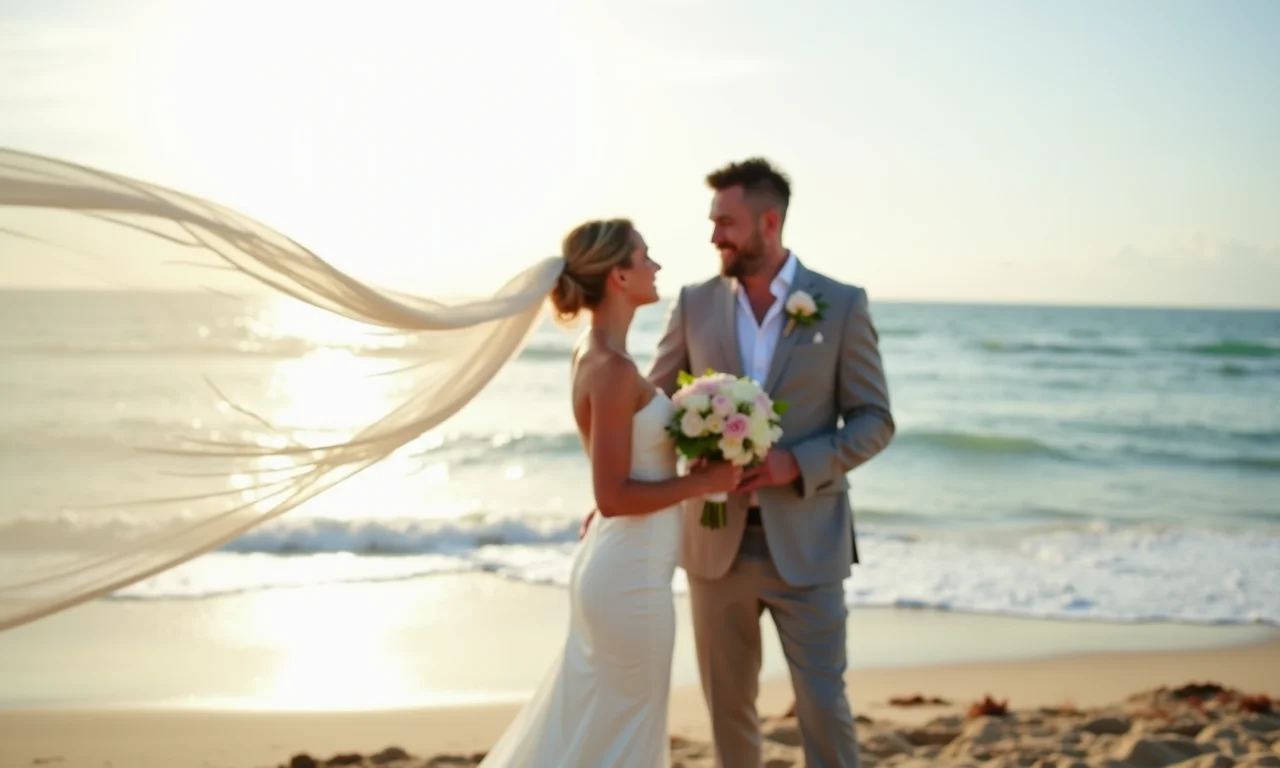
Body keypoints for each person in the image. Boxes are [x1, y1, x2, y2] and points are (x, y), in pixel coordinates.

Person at [646, 158, 895, 768]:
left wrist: (797, 464)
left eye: (725, 223)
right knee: (727, 706)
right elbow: (655, 409)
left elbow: (874, 421)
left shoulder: (840, 304)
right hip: (713, 546)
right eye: (712, 223)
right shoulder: (694, 303)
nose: (714, 236)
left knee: (820, 699)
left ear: (770, 221)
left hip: (809, 542)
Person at [478, 218, 743, 767]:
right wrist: (703, 482)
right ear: (619, 275)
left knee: (602, 731)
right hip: (630, 582)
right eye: (645, 256)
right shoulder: (613, 368)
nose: (656, 266)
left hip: (618, 565)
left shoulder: (593, 354)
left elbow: (612, 479)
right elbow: (617, 495)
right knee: (629, 738)